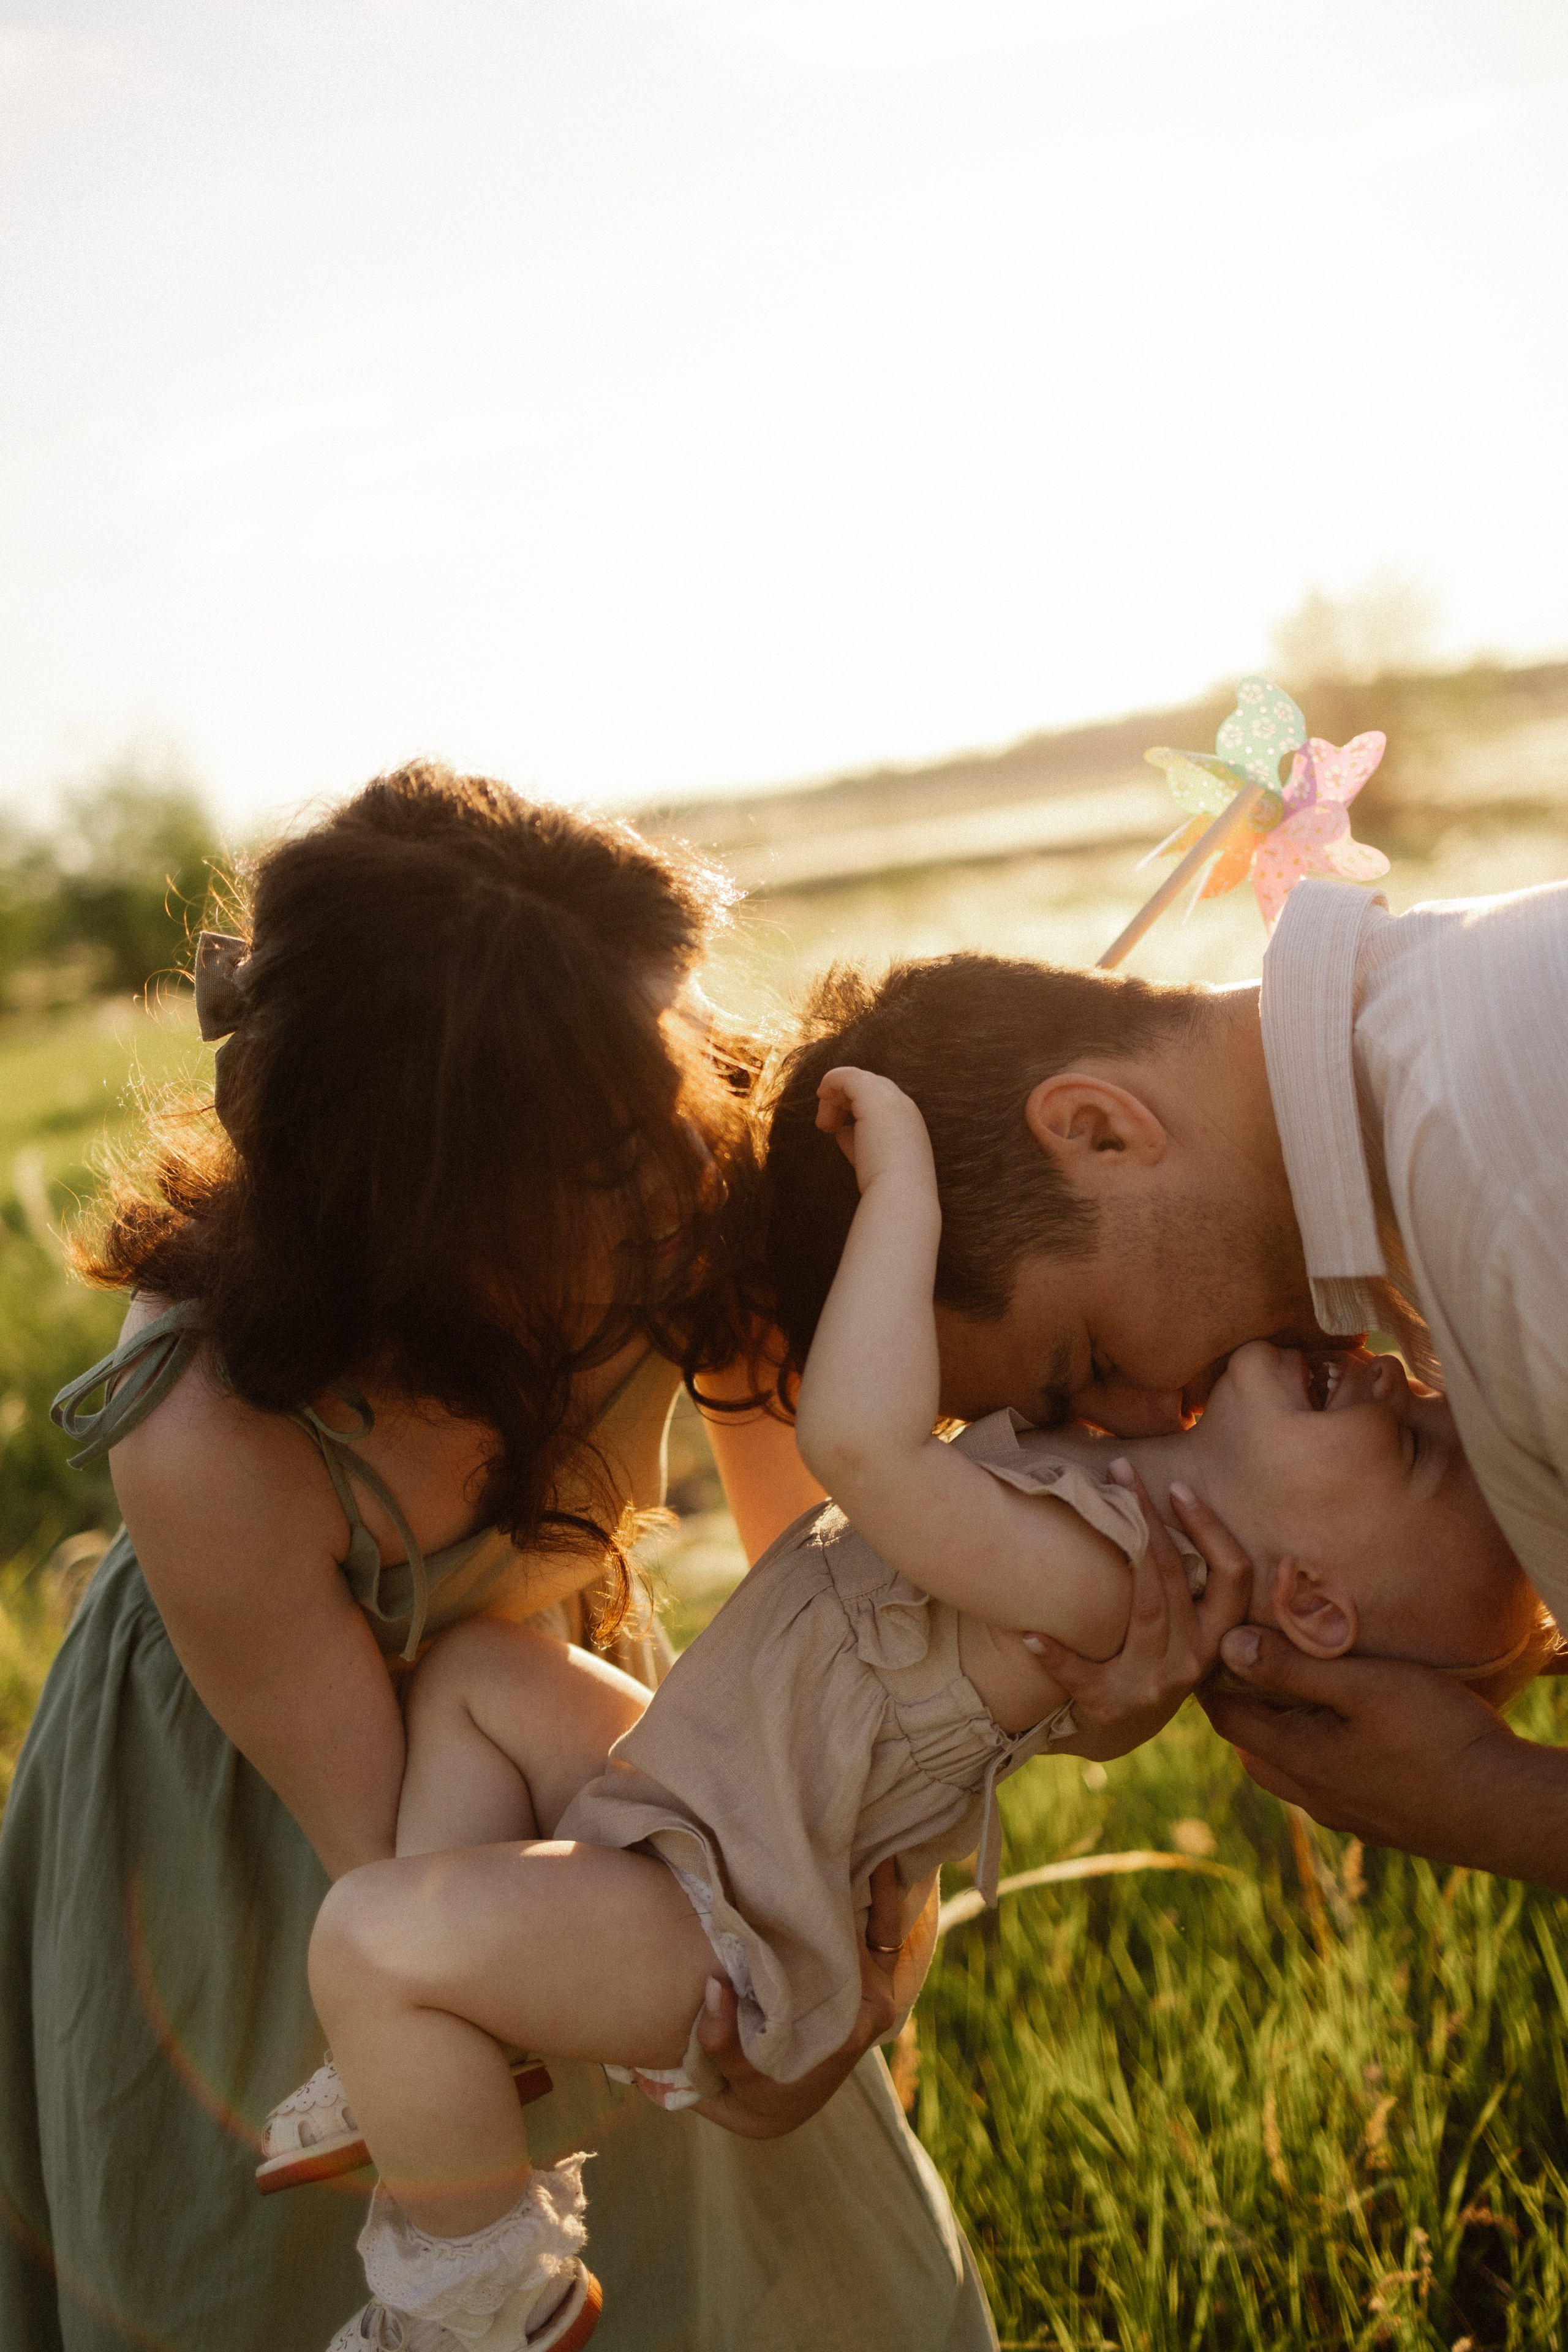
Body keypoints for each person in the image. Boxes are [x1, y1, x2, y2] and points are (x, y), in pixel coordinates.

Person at [292, 1063, 1548, 2352]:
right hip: (707, 1790)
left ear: (1313, 1603)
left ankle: (476, 2287)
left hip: (733, 1909)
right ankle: (452, 2063)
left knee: (369, 1937)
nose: (1404, 1382)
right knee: (477, 1677)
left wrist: (903, 1186)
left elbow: (863, 1447)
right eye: (1430, 1395)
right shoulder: (1129, 1464)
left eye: (1408, 1450)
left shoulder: (1106, 1573)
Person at [0, 766, 997, 2352]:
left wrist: (860, 1902)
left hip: (556, 1714)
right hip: (291, 1838)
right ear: (427, 1191)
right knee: (336, 2231)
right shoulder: (209, 1425)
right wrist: (717, 1935)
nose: (689, 1156)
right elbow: (396, 1873)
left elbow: (834, 1585)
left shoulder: (696, 1172)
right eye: (610, 1149)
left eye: (670, 1059)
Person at [758, 878, 1568, 1858]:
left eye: (1091, 1359)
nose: (1153, 1416)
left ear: (1100, 1130)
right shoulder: (1445, 1078)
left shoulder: (1507, 1202)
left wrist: (1497, 1803)